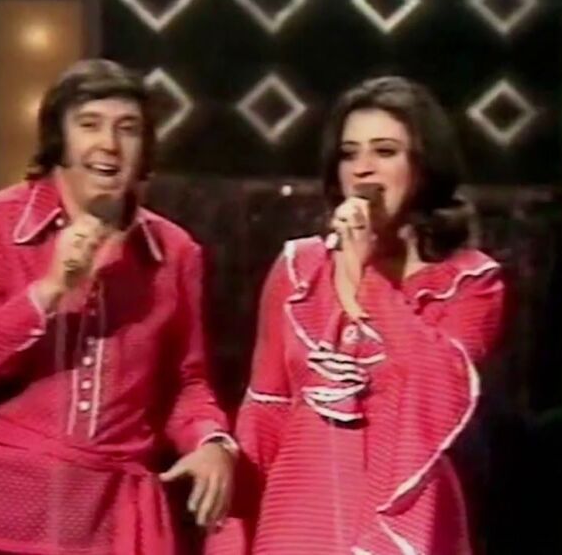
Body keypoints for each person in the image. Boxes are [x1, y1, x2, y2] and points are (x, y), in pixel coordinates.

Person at [0, 59, 237, 555]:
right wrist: (50, 289)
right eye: (89, 124)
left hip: (117, 518)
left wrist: (210, 441)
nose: (109, 145)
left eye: (128, 129)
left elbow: (188, 382)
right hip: (3, 511)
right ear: (60, 140)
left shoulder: (176, 252)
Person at [206, 76, 505, 554]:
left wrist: (361, 280)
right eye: (349, 154)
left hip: (406, 514)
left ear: (424, 167)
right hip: (297, 518)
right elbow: (264, 413)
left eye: (385, 151)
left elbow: (435, 392)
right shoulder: (297, 269)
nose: (363, 169)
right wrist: (228, 542)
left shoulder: (471, 281)